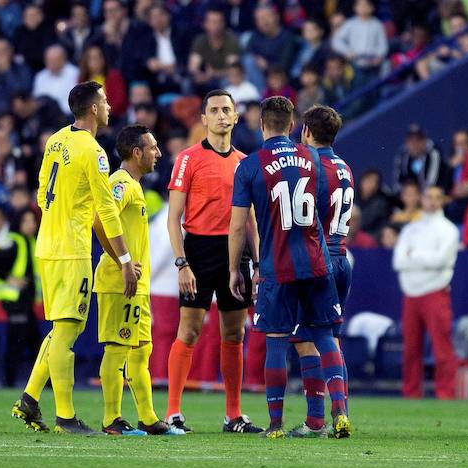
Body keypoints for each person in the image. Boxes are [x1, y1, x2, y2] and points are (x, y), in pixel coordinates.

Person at [10, 81, 138, 435]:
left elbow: (40, 193)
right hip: (72, 249)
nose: (110, 106)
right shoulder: (93, 152)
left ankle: (30, 399)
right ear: (93, 109)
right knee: (69, 331)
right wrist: (125, 259)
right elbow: (108, 212)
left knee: (59, 327)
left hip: (47, 245)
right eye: (106, 101)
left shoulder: (55, 140)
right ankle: (65, 416)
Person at [228, 96, 350, 439]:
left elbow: (238, 226)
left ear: (261, 124)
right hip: (317, 262)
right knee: (325, 336)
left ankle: (276, 425)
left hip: (276, 267)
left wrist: (234, 269)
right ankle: (339, 413)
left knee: (278, 343)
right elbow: (324, 208)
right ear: (293, 124)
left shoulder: (250, 166)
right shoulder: (313, 158)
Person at [165, 90, 262, 434]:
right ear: (203, 119)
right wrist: (182, 263)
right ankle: (172, 412)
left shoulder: (246, 162)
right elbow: (173, 217)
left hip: (237, 252)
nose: (221, 116)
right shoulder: (188, 159)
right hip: (200, 251)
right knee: (189, 330)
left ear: (235, 117)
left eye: (227, 110)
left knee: (234, 333)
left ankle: (233, 415)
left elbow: (250, 219)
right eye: (214, 111)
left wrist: (261, 265)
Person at [93, 125, 181, 436]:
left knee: (141, 350)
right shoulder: (120, 184)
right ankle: (111, 420)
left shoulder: (135, 185)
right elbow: (99, 221)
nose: (158, 153)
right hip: (119, 280)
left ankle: (148, 418)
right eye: (153, 148)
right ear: (137, 152)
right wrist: (123, 263)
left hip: (136, 284)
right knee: (117, 349)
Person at [288, 105, 353, 437]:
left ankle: (323, 417)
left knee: (312, 338)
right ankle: (333, 412)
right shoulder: (344, 167)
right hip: (342, 258)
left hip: (317, 261)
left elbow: (303, 217)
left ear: (307, 132)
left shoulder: (309, 167)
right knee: (324, 337)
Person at [393, 186, 459, 399]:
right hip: (411, 293)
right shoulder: (411, 229)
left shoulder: (449, 230)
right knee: (411, 349)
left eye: (436, 197)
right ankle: (411, 393)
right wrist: (425, 258)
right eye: (428, 197)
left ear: (442, 201)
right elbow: (398, 260)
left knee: (442, 348)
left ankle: (445, 393)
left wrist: (415, 255)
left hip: (435, 291)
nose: (431, 201)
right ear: (422, 199)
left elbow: (442, 260)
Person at [0, 209, 41, 388]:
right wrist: (9, 278)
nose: (30, 225)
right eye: (26, 221)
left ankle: (40, 383)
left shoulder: (33, 241)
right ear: (19, 223)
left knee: (34, 342)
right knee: (16, 342)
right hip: (15, 301)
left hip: (27, 302)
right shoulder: (14, 241)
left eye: (32, 221)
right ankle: (7, 381)